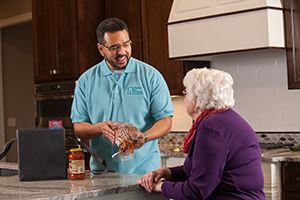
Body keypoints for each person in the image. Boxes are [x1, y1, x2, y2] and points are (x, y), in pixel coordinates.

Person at [138, 68, 265, 199]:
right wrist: (167, 172)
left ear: (198, 99)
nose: (184, 96)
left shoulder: (211, 128)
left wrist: (159, 186)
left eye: (186, 92)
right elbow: (201, 170)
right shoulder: (223, 119)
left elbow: (196, 191)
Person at [71, 17, 173, 174]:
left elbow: (165, 121)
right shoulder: (86, 81)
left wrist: (143, 137)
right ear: (101, 49)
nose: (122, 52)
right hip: (102, 173)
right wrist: (99, 128)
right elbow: (78, 127)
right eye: (114, 47)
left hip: (145, 173)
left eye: (126, 45)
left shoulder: (151, 76)